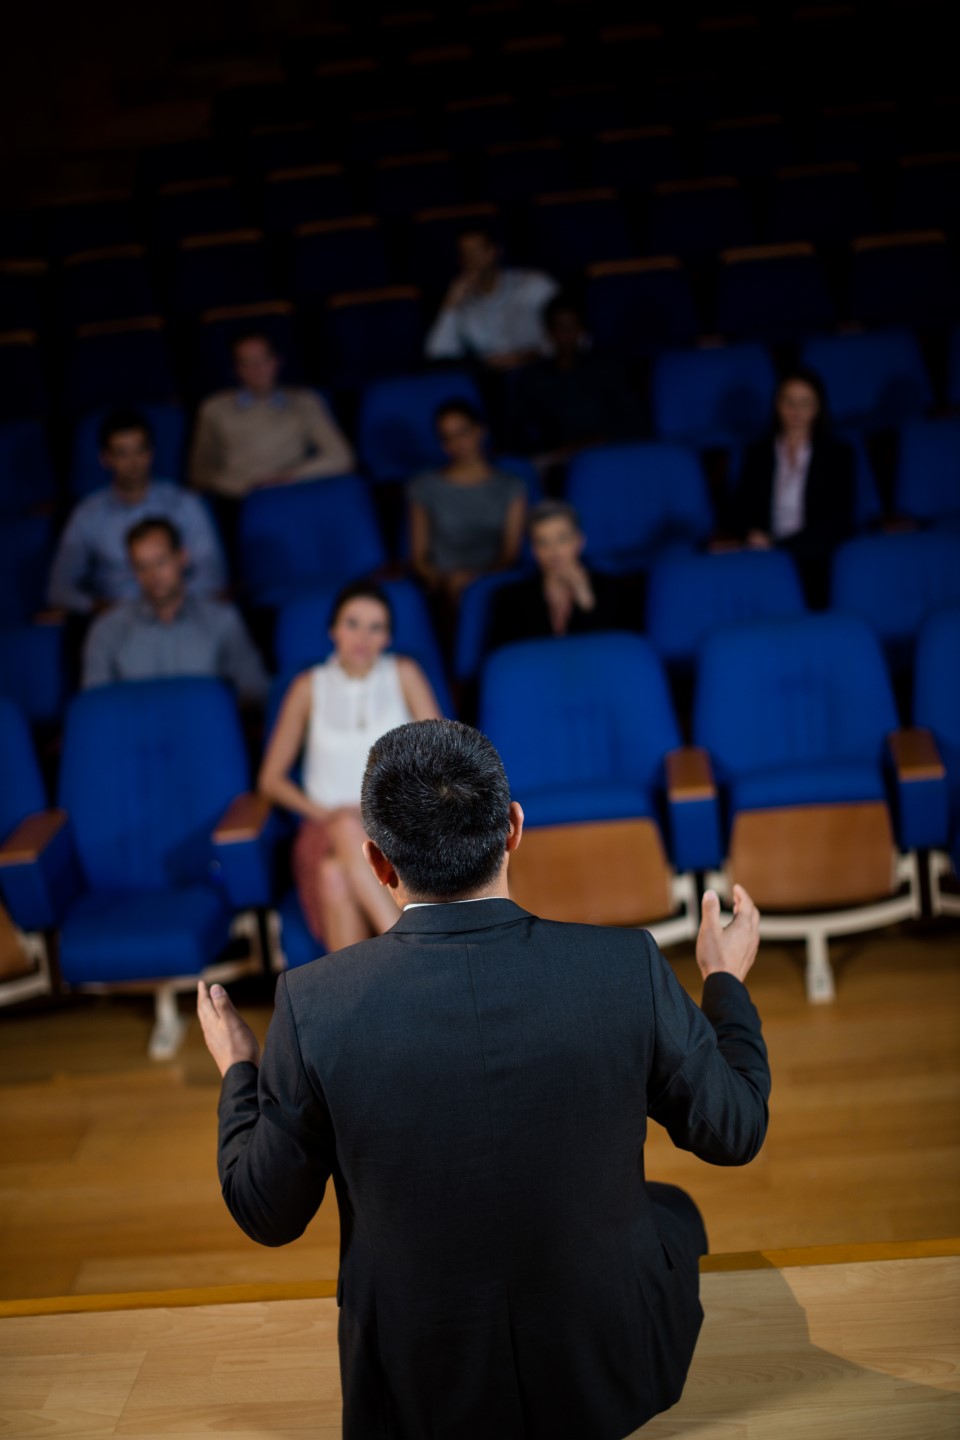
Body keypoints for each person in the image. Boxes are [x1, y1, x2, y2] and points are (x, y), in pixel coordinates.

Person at [199, 718, 769, 1440]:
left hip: (417, 1385)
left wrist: (238, 1070)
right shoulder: (625, 967)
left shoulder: (315, 1003)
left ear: (378, 862)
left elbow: (266, 1212)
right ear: (514, 829)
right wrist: (723, 982)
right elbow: (737, 1129)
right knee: (673, 1211)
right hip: (604, 1367)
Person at [257, 582, 441, 951]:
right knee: (342, 833)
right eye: (352, 623)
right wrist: (327, 814)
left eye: (376, 627)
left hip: (398, 826)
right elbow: (270, 780)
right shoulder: (308, 686)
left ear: (387, 637)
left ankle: (358, 1001)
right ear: (333, 630)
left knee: (334, 876)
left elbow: (443, 755)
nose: (363, 637)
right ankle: (416, 946)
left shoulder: (404, 673)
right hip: (326, 828)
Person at [47, 408, 226, 615]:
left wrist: (169, 601)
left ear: (151, 452)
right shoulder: (87, 514)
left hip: (181, 612)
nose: (133, 463)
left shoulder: (185, 503)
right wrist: (98, 607)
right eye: (122, 453)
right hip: (115, 619)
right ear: (105, 459)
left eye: (140, 451)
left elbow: (212, 572)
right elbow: (59, 588)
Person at [81, 517, 269, 704]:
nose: (153, 576)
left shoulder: (223, 620)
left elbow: (255, 691)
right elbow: (96, 708)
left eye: (161, 561)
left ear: (182, 557)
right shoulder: (107, 630)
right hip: (135, 732)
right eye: (142, 566)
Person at [733, 368, 856, 607]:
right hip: (762, 555)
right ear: (777, 405)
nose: (796, 411)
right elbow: (738, 509)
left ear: (818, 407)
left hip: (815, 556)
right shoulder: (756, 453)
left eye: (805, 403)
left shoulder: (839, 455)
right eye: (788, 402)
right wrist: (751, 535)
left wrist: (779, 546)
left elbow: (839, 521)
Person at [189, 332, 355, 501]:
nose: (257, 368)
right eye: (247, 362)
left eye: (264, 359)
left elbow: (340, 457)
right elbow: (201, 472)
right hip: (238, 499)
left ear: (277, 361)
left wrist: (289, 477)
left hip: (293, 491)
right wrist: (244, 486)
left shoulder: (305, 402)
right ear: (236, 369)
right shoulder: (214, 408)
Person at [408, 400, 527, 607]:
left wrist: (478, 578)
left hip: (494, 577)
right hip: (445, 584)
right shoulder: (424, 487)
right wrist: (443, 580)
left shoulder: (510, 486)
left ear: (479, 431)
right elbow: (420, 558)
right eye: (447, 438)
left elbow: (510, 554)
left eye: (462, 432)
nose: (457, 444)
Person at [507, 294, 642, 457]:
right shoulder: (533, 376)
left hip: (608, 451)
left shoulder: (607, 367)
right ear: (549, 331)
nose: (566, 334)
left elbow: (631, 418)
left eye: (572, 327)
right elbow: (522, 429)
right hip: (559, 458)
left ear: (581, 329)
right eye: (560, 327)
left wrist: (595, 443)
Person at [487, 499, 627, 652]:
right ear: (534, 550)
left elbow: (617, 651)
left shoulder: (612, 588)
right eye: (543, 542)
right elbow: (506, 660)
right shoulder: (509, 598)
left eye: (562, 539)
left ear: (579, 541)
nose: (554, 551)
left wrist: (586, 600)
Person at [424, 227, 558, 370]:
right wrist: (450, 303)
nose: (471, 259)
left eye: (476, 251)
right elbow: (439, 353)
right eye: (465, 254)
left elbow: (574, 339)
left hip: (542, 369)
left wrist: (527, 356)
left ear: (495, 251)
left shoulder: (534, 285)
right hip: (490, 380)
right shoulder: (462, 302)